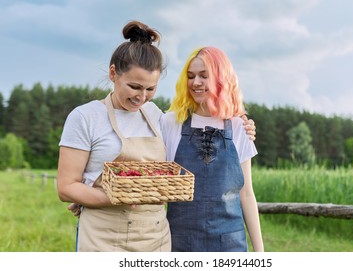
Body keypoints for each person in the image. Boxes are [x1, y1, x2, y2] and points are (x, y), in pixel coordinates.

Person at [57, 20, 257, 252]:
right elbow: (66, 187)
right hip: (105, 236)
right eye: (134, 86)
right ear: (113, 73)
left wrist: (242, 123)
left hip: (154, 236)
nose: (141, 97)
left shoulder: (155, 116)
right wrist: (100, 196)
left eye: (150, 89)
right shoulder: (85, 117)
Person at [161, 46, 264, 252]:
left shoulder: (239, 127)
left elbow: (246, 193)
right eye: (190, 76)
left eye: (203, 76)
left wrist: (260, 252)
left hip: (229, 244)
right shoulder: (170, 122)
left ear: (220, 79)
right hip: (180, 241)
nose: (195, 82)